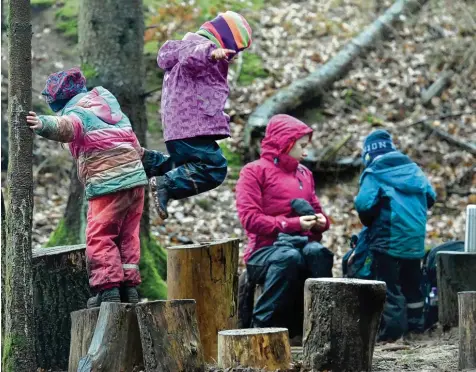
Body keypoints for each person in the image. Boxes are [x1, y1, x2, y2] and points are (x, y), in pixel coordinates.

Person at [26, 68, 148, 307]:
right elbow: (134, 143)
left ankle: (109, 289)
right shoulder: (110, 109)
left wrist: (42, 124)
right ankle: (129, 288)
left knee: (101, 235)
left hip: (108, 183)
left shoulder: (77, 112)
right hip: (135, 181)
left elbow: (67, 127)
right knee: (128, 235)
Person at [142, 11, 252, 220]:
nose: (235, 55)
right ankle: (166, 185)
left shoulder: (183, 50)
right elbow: (194, 56)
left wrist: (219, 119)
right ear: (222, 40)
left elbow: (203, 95)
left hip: (182, 126)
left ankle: (151, 163)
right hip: (191, 127)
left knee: (188, 166)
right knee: (214, 168)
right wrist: (211, 53)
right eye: (235, 49)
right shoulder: (199, 49)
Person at [235, 114, 333, 338]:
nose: (305, 152)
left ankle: (323, 328)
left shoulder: (305, 174)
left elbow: (320, 214)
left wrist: (320, 221)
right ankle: (261, 331)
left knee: (318, 253)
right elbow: (250, 219)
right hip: (263, 251)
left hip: (301, 243)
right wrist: (292, 223)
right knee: (288, 258)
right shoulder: (254, 171)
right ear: (286, 142)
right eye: (302, 146)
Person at [354, 129, 436, 342]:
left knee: (389, 286)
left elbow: (363, 204)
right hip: (414, 240)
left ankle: (392, 334)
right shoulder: (414, 170)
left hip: (387, 240)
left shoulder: (374, 173)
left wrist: (372, 218)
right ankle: (416, 328)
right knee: (412, 283)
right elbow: (431, 196)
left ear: (368, 154)